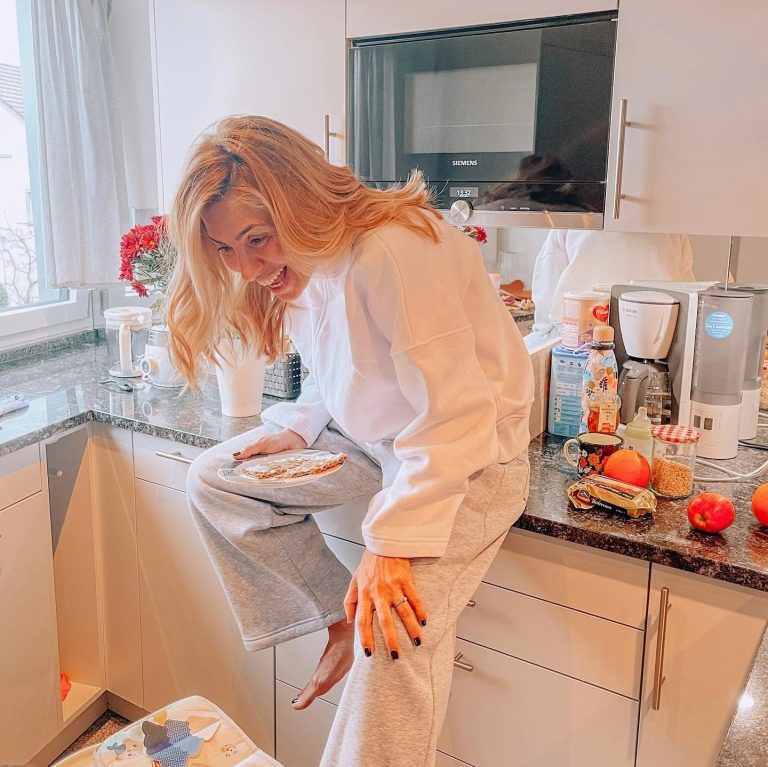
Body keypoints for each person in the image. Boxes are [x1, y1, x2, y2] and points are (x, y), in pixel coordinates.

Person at [164, 116, 533, 767]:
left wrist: (392, 544)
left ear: (301, 199)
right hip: (378, 442)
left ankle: (358, 630)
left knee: (391, 637)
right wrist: (298, 425)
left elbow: (457, 415)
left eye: (256, 239)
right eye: (224, 250)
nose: (246, 268)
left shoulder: (396, 250)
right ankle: (335, 615)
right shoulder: (305, 262)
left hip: (469, 457)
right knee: (214, 480)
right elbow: (343, 365)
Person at [526, 229, 697, 348]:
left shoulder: (576, 221)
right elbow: (687, 293)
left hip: (579, 342)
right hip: (656, 339)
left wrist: (544, 330)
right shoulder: (672, 228)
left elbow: (546, 289)